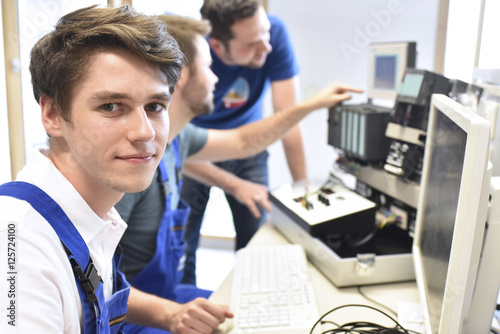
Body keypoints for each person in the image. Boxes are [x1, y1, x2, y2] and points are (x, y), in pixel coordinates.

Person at [115, 12, 361, 333]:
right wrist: (171, 315)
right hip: (134, 320)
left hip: (166, 294)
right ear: (183, 74)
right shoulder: (130, 165)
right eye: (207, 67)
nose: (217, 79)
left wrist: (309, 105)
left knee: (250, 312)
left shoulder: (179, 139)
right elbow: (95, 287)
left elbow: (245, 141)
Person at [0, 6, 233, 333]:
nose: (145, 132)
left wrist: (169, 315)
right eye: (111, 106)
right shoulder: (19, 245)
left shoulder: (96, 218)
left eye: (154, 107)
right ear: (53, 115)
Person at [180, 0, 307, 286]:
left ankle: (254, 298)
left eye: (265, 34)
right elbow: (174, 138)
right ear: (217, 46)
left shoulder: (271, 34)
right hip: (196, 148)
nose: (266, 47)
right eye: (251, 44)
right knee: (181, 243)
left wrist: (304, 190)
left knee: (256, 240)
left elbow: (287, 120)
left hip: (248, 147)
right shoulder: (190, 48)